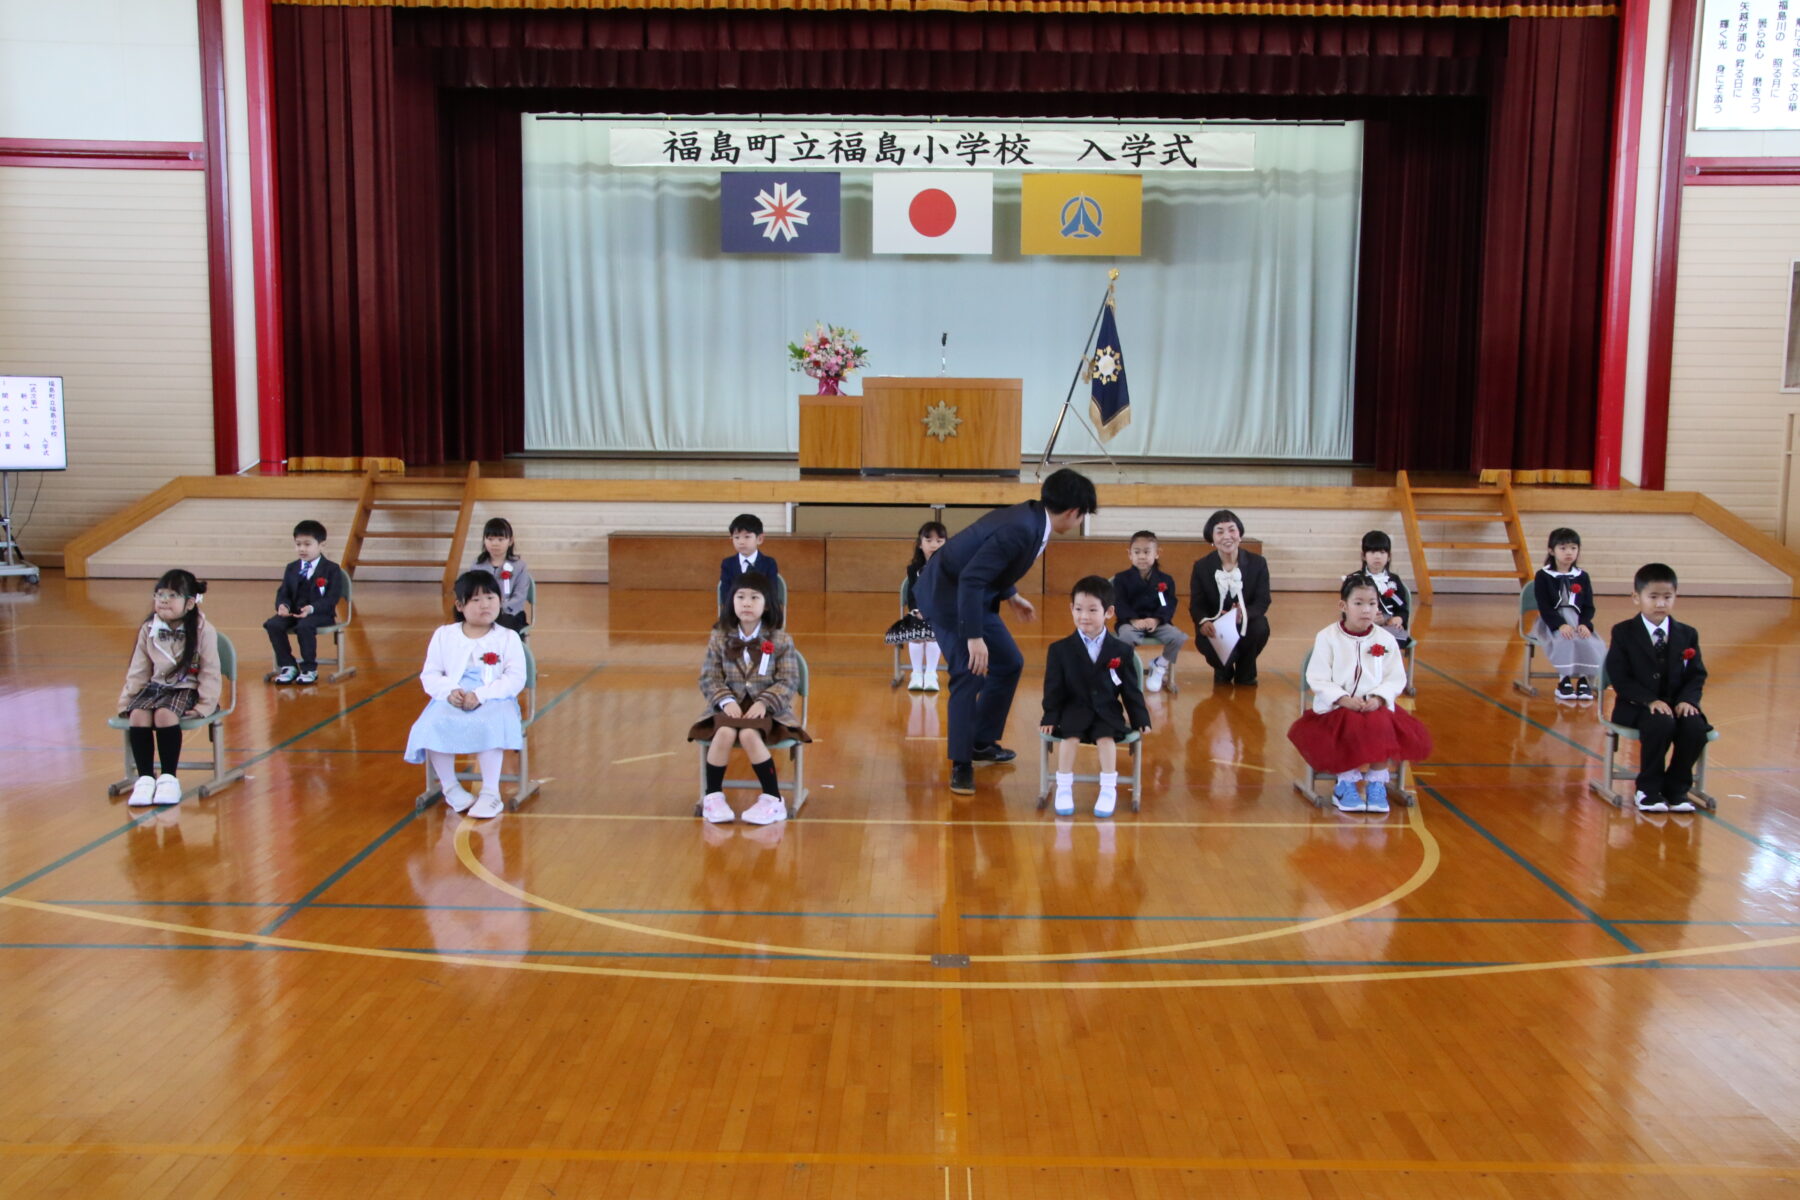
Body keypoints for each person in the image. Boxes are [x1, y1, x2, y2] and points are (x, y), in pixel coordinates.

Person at [918, 468, 1098, 796]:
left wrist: (1011, 595)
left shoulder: (1031, 519)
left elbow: (991, 560)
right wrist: (973, 638)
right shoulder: (1022, 527)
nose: (1079, 522)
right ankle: (961, 762)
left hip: (973, 594)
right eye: (1082, 516)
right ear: (1073, 512)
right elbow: (972, 577)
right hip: (947, 597)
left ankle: (982, 742)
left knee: (1009, 662)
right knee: (968, 670)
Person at [1287, 573, 1433, 815]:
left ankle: (1377, 782)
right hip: (1335, 710)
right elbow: (1318, 677)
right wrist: (1343, 698)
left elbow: (1395, 677)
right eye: (1359, 603)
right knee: (1350, 722)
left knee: (1381, 722)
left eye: (1372, 603)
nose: (1366, 610)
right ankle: (1345, 783)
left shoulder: (1385, 638)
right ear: (1343, 606)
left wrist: (1377, 698)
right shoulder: (1327, 637)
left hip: (1373, 706)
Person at [402, 570, 528, 820]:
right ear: (460, 606)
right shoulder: (444, 635)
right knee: (431, 724)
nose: (485, 605)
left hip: (495, 696)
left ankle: (491, 792)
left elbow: (515, 679)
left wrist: (481, 695)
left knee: (490, 723)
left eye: (491, 598)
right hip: (454, 694)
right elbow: (431, 674)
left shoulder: (508, 637)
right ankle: (450, 787)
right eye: (476, 600)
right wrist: (450, 692)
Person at [689, 570, 810, 826]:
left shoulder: (780, 639)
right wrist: (725, 700)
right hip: (728, 705)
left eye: (754, 598)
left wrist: (764, 702)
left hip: (767, 710)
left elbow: (789, 680)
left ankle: (772, 799)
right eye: (740, 597)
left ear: (766, 605)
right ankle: (713, 796)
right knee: (722, 734)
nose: (746, 603)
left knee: (747, 735)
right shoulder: (719, 637)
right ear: (731, 603)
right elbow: (709, 677)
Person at [1041, 576, 1151, 818]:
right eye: (1079, 609)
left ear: (1109, 612)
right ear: (1071, 609)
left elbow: (1131, 690)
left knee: (1106, 740)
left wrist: (1140, 717)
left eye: (1092, 610)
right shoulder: (1059, 650)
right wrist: (1050, 715)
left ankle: (1108, 789)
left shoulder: (1122, 651)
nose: (1084, 616)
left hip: (1106, 710)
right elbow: (1053, 688)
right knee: (1069, 738)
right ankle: (1063, 787)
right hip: (1074, 709)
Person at [1604, 563, 1709, 813]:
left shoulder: (1687, 634)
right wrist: (1649, 701)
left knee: (1695, 727)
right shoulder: (1623, 632)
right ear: (1636, 597)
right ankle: (1648, 789)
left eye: (1667, 597)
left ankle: (1676, 788)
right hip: (1636, 706)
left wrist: (1687, 700)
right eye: (1653, 597)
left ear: (1675, 598)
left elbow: (1696, 675)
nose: (1660, 604)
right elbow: (1620, 677)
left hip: (1676, 704)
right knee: (1661, 722)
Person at [118, 570, 221, 807]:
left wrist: (205, 705)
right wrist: (127, 701)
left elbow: (210, 671)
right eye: (160, 594)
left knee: (164, 715)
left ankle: (168, 778)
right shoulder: (148, 629)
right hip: (156, 687)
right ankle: (145, 778)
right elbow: (138, 669)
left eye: (172, 595)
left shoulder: (203, 629)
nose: (164, 600)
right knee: (138, 714)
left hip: (186, 688)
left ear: (190, 603)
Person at [1188, 509, 1271, 686]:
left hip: (1246, 622)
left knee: (1260, 626)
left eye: (1232, 530)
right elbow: (1197, 604)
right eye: (1220, 531)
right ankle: (1223, 669)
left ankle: (1245, 672)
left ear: (1239, 535)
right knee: (1218, 652)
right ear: (1212, 539)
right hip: (1215, 624)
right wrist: (1203, 622)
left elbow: (1263, 600)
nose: (1227, 536)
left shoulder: (1258, 563)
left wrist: (1243, 614)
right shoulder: (1202, 567)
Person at [265, 519, 346, 684]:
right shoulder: (292, 567)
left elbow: (331, 598)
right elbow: (283, 592)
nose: (302, 549)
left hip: (319, 614)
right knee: (273, 624)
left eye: (307, 544)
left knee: (305, 626)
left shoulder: (331, 569)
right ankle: (288, 665)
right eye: (298, 544)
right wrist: (283, 605)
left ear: (321, 545)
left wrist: (311, 608)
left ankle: (309, 668)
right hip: (294, 612)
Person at [1110, 529, 1188, 694]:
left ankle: (1160, 665)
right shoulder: (1121, 579)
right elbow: (1119, 602)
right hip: (1130, 623)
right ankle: (1128, 671)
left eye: (1147, 552)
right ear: (1129, 554)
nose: (1142, 556)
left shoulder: (1166, 580)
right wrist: (1133, 620)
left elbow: (1169, 604)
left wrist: (1157, 620)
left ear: (1157, 553)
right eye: (1137, 552)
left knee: (1178, 637)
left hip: (1157, 622)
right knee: (1125, 637)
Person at [1532, 527, 1601, 702]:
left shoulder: (1582, 576)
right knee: (1566, 639)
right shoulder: (1543, 576)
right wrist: (1560, 624)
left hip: (1577, 620)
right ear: (1551, 551)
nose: (1568, 552)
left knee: (1588, 640)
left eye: (1573, 548)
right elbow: (1545, 606)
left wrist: (1585, 623)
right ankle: (1565, 679)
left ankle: (1585, 679)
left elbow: (1588, 606)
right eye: (1563, 548)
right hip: (1552, 621)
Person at [885, 520, 949, 692]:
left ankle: (930, 673)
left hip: (941, 614)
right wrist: (916, 610)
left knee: (934, 631)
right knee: (917, 629)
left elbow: (949, 594)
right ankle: (916, 673)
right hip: (918, 613)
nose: (934, 545)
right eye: (928, 540)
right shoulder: (914, 569)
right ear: (920, 544)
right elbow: (912, 595)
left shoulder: (949, 568)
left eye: (939, 541)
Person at [470, 517, 534, 635]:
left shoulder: (520, 567)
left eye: (500, 539)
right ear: (484, 540)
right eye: (490, 539)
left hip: (510, 613)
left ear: (510, 541)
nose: (495, 543)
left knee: (500, 629)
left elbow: (519, 597)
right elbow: (471, 592)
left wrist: (499, 607)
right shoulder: (477, 565)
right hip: (482, 612)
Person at [1355, 530, 1412, 648]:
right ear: (1363, 556)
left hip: (1388, 627)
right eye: (1372, 551)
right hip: (1362, 625)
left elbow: (1402, 608)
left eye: (1382, 552)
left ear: (1389, 556)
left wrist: (1399, 619)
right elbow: (1348, 609)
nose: (1377, 556)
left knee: (1392, 642)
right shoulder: (1355, 580)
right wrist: (1369, 619)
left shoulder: (1394, 580)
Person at [719, 513, 780, 597]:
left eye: (747, 537)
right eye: (736, 537)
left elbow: (773, 593)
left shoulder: (769, 563)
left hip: (762, 609)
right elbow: (725, 595)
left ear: (759, 539)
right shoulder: (728, 564)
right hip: (734, 609)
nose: (741, 542)